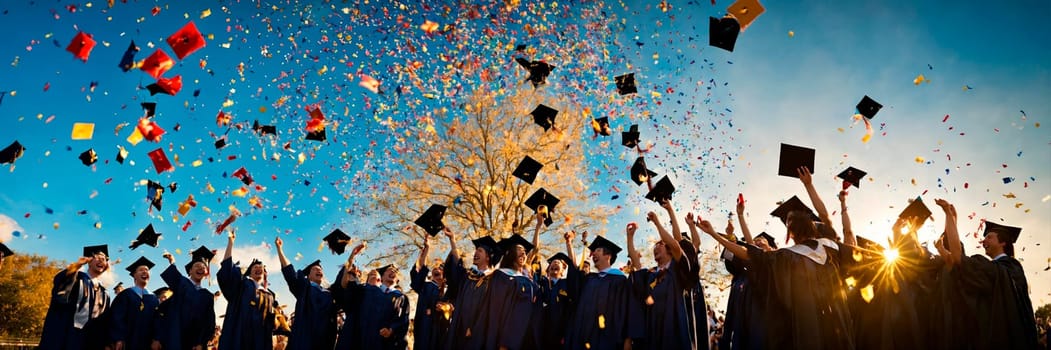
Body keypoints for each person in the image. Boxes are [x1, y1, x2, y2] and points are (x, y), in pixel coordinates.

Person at [702, 168, 854, 350]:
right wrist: (714, 234)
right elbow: (749, 252)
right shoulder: (786, 257)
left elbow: (827, 219)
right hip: (811, 327)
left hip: (832, 323)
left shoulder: (828, 247)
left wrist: (809, 185)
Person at [941, 199, 1039, 349]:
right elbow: (962, 264)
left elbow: (959, 258)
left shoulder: (1009, 268)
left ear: (1003, 243)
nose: (983, 240)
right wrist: (953, 221)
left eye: (989, 237)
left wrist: (949, 215)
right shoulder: (1000, 270)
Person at [705, 199, 775, 350]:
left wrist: (741, 216)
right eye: (756, 242)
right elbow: (739, 256)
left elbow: (753, 250)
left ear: (772, 247)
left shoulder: (776, 262)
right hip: (743, 315)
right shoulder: (744, 271)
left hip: (766, 315)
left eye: (762, 241)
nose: (758, 242)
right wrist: (730, 237)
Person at [633, 202, 702, 350]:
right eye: (656, 245)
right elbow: (637, 265)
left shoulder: (678, 268)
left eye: (661, 244)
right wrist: (630, 237)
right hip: (653, 328)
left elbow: (678, 243)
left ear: (670, 250)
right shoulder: (651, 274)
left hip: (675, 326)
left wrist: (663, 218)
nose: (657, 246)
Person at [564, 227, 644, 350]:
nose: (593, 253)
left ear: (608, 255)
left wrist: (628, 339)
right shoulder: (589, 279)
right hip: (583, 337)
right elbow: (574, 272)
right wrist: (569, 243)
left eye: (598, 250)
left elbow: (629, 310)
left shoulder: (620, 280)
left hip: (609, 339)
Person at [472, 215, 545, 350]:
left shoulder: (527, 278)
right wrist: (504, 340)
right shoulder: (501, 276)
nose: (524, 255)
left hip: (529, 336)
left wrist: (538, 227)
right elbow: (497, 311)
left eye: (525, 252)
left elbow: (534, 250)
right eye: (520, 251)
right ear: (510, 253)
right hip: (509, 339)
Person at [39, 245, 112, 350]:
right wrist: (77, 265)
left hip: (92, 340)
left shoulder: (105, 293)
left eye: (104, 259)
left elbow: (104, 321)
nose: (101, 261)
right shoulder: (77, 278)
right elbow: (60, 289)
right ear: (89, 261)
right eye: (97, 258)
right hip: (68, 335)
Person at [442, 228, 503, 349]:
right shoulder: (468, 276)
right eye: (476, 250)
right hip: (460, 328)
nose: (475, 253)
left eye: (480, 250)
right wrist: (452, 240)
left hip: (482, 333)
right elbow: (457, 266)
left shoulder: (495, 280)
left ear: (488, 257)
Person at [217, 232, 280, 350]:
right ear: (249, 273)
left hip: (261, 342)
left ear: (265, 274)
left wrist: (276, 320)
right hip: (239, 340)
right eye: (254, 268)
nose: (258, 268)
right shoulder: (242, 286)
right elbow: (227, 272)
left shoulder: (270, 295)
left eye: (261, 268)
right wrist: (230, 243)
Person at [275, 237, 338, 350]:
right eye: (315, 269)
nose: (319, 270)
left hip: (324, 341)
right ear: (308, 276)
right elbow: (289, 272)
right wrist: (280, 249)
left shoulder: (330, 293)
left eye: (320, 269)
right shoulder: (303, 288)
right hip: (304, 340)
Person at [154, 247, 216, 350]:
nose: (200, 268)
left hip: (194, 344)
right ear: (190, 271)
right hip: (174, 338)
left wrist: (202, 342)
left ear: (206, 273)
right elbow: (160, 313)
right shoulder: (182, 284)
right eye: (196, 266)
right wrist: (172, 261)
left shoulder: (208, 296)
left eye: (203, 267)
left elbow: (209, 321)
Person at [346, 263, 411, 349]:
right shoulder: (368, 291)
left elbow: (403, 320)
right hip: (365, 338)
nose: (392, 271)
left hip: (387, 343)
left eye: (395, 271)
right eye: (389, 270)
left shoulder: (401, 297)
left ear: (397, 280)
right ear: (381, 277)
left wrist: (391, 329)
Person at [533, 232, 576, 349]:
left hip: (560, 335)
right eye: (552, 262)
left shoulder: (567, 284)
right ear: (548, 269)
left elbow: (573, 266)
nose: (555, 263)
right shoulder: (541, 282)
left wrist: (569, 243)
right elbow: (534, 256)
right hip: (540, 333)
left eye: (559, 263)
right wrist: (538, 227)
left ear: (563, 270)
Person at [410, 230, 450, 350]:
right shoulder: (425, 286)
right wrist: (426, 249)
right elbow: (420, 268)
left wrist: (445, 307)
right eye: (434, 269)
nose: (436, 269)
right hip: (424, 330)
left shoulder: (449, 291)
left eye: (440, 268)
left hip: (442, 331)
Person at [109, 256, 160, 350]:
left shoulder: (154, 299)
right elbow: (117, 318)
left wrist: (157, 339)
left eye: (147, 270)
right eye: (141, 270)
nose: (145, 272)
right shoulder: (125, 295)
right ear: (134, 275)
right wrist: (118, 338)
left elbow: (157, 321)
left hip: (148, 344)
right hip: (128, 342)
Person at [330, 239, 367, 350]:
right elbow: (345, 275)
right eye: (353, 269)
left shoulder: (362, 286)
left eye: (357, 270)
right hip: (352, 325)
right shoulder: (345, 284)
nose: (356, 269)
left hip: (365, 324)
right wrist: (352, 255)